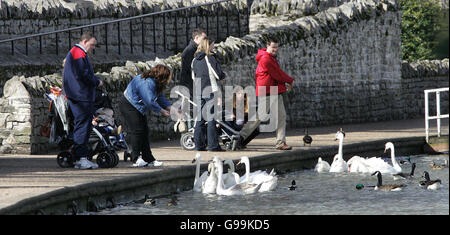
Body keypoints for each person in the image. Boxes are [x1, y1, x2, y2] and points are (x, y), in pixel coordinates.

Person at [119, 64, 174, 167]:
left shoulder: (156, 83)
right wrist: (162, 111)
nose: (169, 80)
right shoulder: (147, 83)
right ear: (162, 76)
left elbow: (160, 98)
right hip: (128, 105)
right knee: (138, 131)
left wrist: (171, 109)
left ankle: (148, 158)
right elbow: (149, 101)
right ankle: (135, 158)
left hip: (137, 106)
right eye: (168, 77)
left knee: (144, 131)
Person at [63, 32, 102, 169]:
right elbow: (84, 75)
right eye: (92, 45)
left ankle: (81, 155)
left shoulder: (76, 53)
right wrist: (97, 82)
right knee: (83, 126)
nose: (93, 48)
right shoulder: (78, 54)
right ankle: (81, 157)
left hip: (80, 95)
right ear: (85, 41)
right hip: (80, 96)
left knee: (84, 125)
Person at [255, 37, 294, 150]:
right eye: (273, 47)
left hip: (272, 90)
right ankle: (241, 137)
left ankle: (280, 143)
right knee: (259, 118)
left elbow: (275, 76)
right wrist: (290, 80)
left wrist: (283, 85)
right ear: (267, 46)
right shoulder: (266, 59)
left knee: (281, 116)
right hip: (267, 90)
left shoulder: (270, 58)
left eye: (276, 47)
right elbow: (277, 74)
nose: (275, 49)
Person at [192, 37, 226, 151]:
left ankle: (199, 145)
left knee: (200, 119)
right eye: (212, 44)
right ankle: (213, 145)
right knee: (211, 118)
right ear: (208, 45)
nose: (214, 47)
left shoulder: (195, 60)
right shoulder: (209, 57)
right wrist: (223, 75)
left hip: (199, 90)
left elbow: (194, 76)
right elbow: (218, 74)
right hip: (211, 90)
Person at [180, 28, 207, 96]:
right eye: (203, 39)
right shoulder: (189, 51)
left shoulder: (197, 49)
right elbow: (186, 70)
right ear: (196, 37)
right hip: (190, 85)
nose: (205, 41)